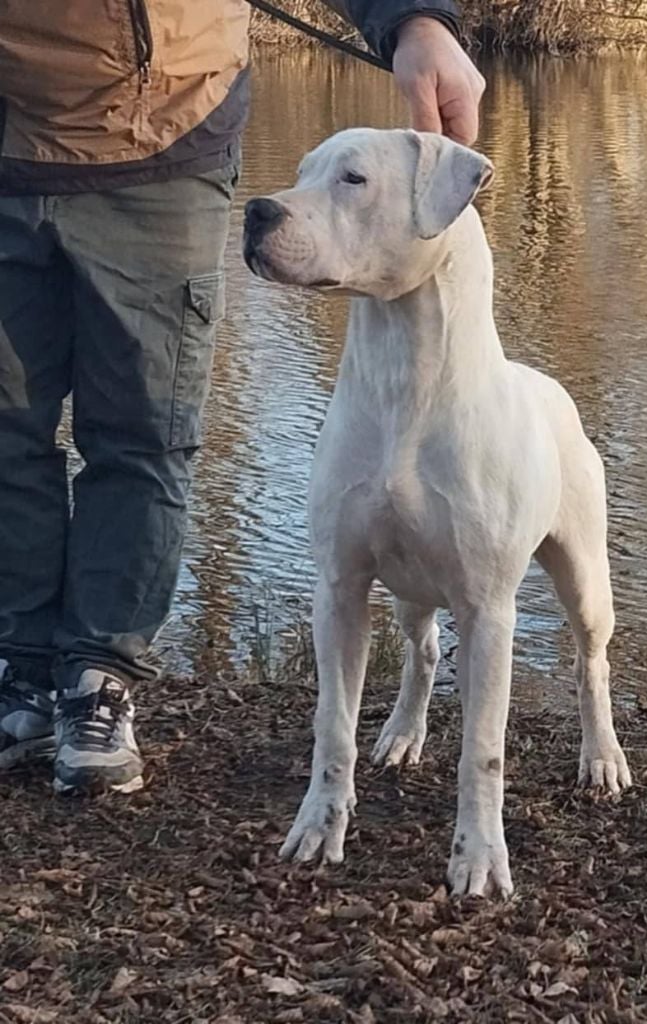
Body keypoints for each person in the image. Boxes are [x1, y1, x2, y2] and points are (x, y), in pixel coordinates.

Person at [0, 2, 485, 794]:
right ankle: (21, 670)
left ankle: (97, 679)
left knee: (142, 435)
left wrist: (414, 21)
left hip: (162, 142)